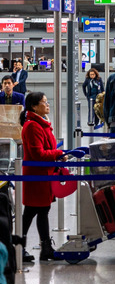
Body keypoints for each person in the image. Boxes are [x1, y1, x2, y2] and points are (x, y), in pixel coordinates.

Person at [19, 92, 64, 263]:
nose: (47, 105)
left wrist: (57, 155)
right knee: (31, 211)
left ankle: (45, 248)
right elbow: (38, 153)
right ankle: (19, 247)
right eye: (44, 102)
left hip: (43, 175)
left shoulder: (41, 124)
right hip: (36, 176)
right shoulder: (33, 126)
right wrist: (58, 154)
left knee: (42, 210)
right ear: (34, 106)